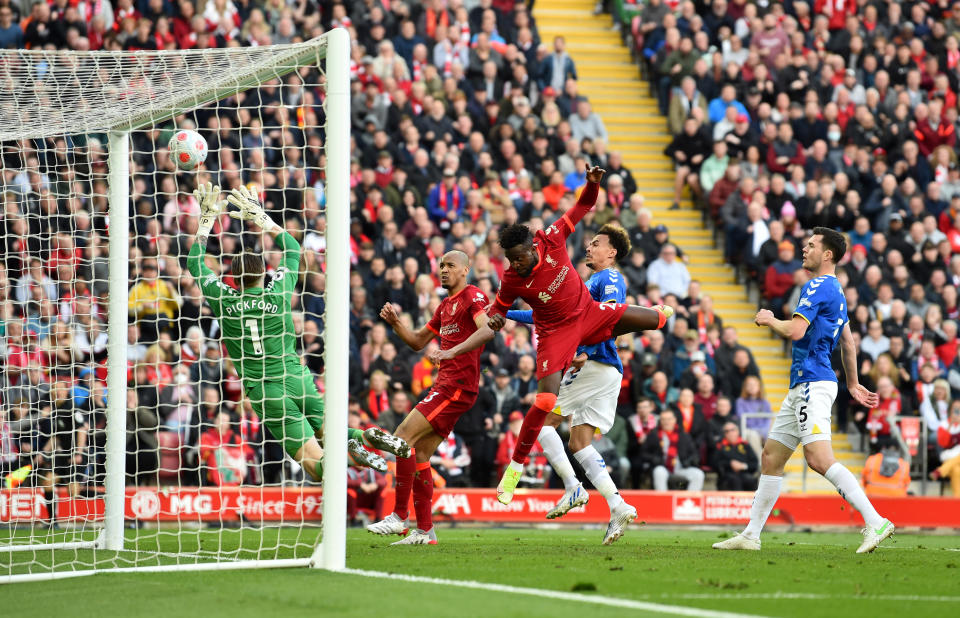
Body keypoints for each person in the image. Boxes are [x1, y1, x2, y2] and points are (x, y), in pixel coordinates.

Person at [434, 166, 673, 506]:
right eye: (512, 261)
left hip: (587, 314)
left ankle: (662, 314)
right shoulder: (511, 280)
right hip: (555, 334)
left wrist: (592, 184)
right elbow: (493, 319)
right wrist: (487, 327)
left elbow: (583, 206)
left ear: (534, 246)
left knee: (656, 319)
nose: (518, 264)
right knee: (546, 402)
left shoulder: (552, 236)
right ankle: (514, 469)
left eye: (522, 257)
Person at [186, 184, 409, 486]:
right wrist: (262, 219)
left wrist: (205, 223)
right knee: (327, 429)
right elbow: (292, 248)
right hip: (297, 378)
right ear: (263, 272)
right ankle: (366, 436)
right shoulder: (277, 292)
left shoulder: (224, 299)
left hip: (267, 391)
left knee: (314, 464)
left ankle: (347, 456)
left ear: (233, 278)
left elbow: (195, 264)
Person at [714, 228, 894, 554]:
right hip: (805, 383)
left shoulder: (817, 285)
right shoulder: (836, 291)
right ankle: (751, 535)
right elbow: (849, 343)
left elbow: (796, 331)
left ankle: (875, 520)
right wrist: (852, 384)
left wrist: (769, 320)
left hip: (812, 381)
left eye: (811, 245)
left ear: (827, 255)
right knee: (771, 457)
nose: (804, 248)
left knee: (818, 458)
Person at [505, 224, 638, 545]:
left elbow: (612, 316)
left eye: (596, 243)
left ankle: (572, 486)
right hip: (604, 371)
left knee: (544, 422)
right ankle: (618, 505)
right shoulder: (590, 282)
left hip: (596, 364)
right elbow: (547, 318)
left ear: (612, 253)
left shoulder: (610, 279)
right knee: (579, 442)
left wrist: (585, 349)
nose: (589, 247)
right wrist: (505, 313)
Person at [368, 250, 491, 545]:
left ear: (465, 269)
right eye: (441, 266)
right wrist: (396, 323)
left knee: (400, 438)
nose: (444, 270)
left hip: (457, 386)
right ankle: (425, 531)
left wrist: (450, 351)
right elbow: (417, 342)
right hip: (446, 384)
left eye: (450, 265)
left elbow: (487, 330)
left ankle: (399, 516)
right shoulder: (444, 306)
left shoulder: (473, 296)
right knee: (419, 454)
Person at [640, 408, 704, 491]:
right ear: (660, 421)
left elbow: (695, 454)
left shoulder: (684, 436)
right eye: (663, 419)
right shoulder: (654, 435)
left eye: (669, 419)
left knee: (698, 474)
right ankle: (662, 501)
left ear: (674, 420)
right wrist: (654, 459)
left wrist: (689, 461)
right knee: (658, 471)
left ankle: (689, 500)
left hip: (681, 468)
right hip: (663, 468)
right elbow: (643, 453)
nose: (666, 422)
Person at [713, 421, 759, 491]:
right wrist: (729, 464)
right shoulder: (720, 446)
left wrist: (743, 466)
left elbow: (755, 463)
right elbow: (714, 464)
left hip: (745, 474)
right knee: (734, 480)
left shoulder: (745, 445)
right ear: (724, 434)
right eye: (727, 431)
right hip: (727, 476)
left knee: (750, 480)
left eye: (732, 430)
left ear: (737, 431)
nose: (730, 433)